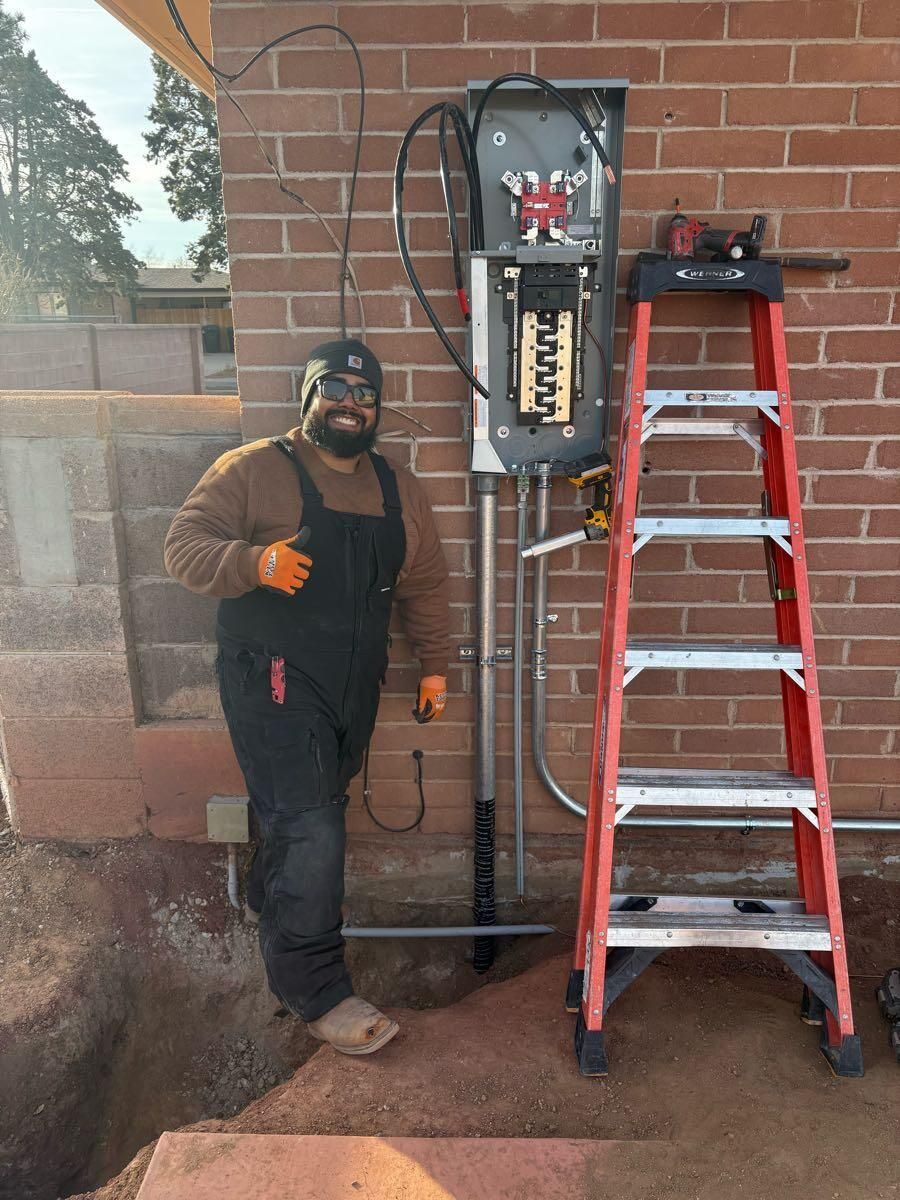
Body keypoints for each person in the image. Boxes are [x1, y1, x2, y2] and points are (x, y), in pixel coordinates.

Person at [164, 338, 450, 1056]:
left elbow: (426, 583)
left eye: (364, 393)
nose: (350, 403)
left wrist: (437, 665)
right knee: (313, 823)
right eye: (334, 388)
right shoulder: (257, 468)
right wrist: (253, 561)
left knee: (305, 817)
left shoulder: (396, 487)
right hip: (272, 677)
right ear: (308, 398)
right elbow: (183, 544)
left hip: (351, 686)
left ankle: (273, 901)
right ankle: (315, 989)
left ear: (377, 409)